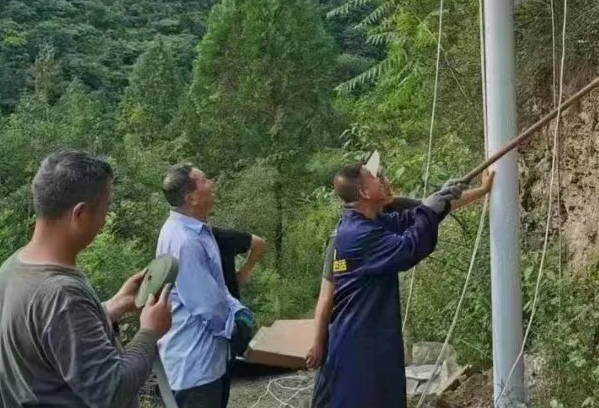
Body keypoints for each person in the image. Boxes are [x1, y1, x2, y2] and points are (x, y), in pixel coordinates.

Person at [0, 150, 172, 408]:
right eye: (105, 208)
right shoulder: (62, 295)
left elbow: (50, 340)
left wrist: (111, 308)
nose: (105, 220)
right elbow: (112, 391)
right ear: (80, 214)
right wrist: (150, 331)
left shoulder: (12, 267)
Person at [306, 159, 494, 407]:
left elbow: (410, 218)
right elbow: (408, 247)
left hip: (373, 332)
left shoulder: (372, 220)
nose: (381, 180)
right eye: (372, 178)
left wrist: (438, 200)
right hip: (358, 338)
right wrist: (429, 210)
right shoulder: (356, 235)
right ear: (364, 192)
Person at [156, 164, 244, 408]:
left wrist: (236, 309)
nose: (211, 183)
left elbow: (217, 286)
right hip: (194, 365)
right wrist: (234, 328)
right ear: (191, 198)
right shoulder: (184, 241)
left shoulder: (195, 231)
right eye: (204, 180)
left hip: (206, 360)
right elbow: (208, 305)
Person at [210, 223, 264, 362]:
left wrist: (244, 271)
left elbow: (258, 243)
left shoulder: (221, 236)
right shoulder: (187, 239)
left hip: (229, 304)